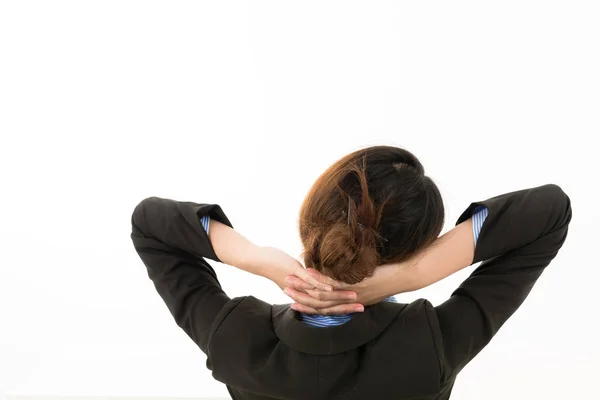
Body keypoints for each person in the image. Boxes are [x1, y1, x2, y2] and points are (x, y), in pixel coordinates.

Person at [130, 145, 572, 400]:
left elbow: (150, 224)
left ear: (309, 224)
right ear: (416, 249)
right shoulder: (429, 343)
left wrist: (261, 259)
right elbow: (548, 213)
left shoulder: (236, 340)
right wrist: (408, 278)